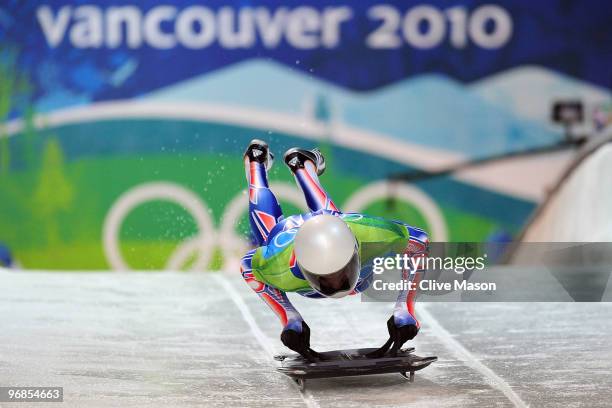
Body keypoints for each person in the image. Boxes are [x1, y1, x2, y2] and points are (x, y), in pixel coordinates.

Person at [241, 139, 429, 361]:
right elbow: (248, 266)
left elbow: (419, 240)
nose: (336, 283)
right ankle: (259, 166)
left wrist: (405, 307)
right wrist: (290, 318)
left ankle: (300, 166)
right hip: (286, 237)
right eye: (326, 277)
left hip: (340, 228)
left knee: (334, 220)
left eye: (341, 271)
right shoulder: (279, 266)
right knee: (269, 236)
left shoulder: (370, 233)